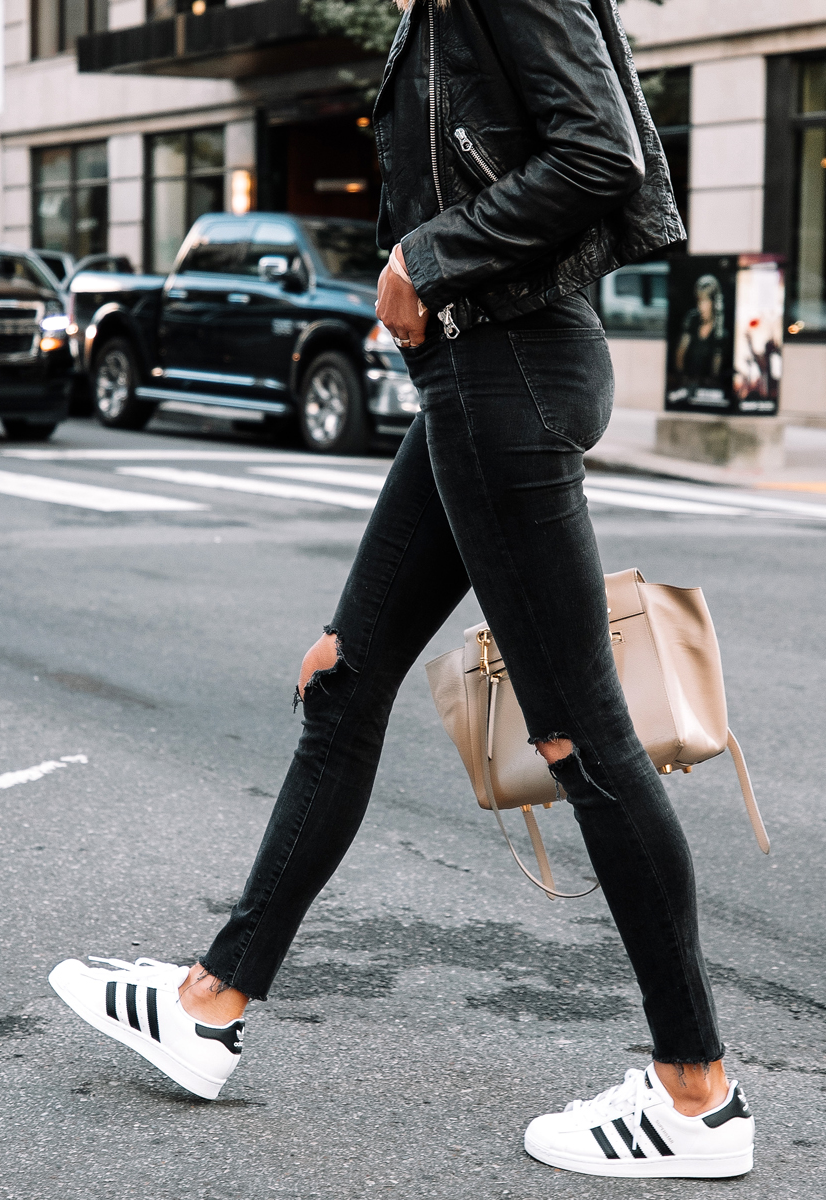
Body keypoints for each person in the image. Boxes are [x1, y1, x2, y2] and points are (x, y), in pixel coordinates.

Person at [49, 0, 754, 1179]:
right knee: (346, 675)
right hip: (478, 378)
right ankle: (209, 1004)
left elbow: (600, 154)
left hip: (507, 371)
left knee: (585, 740)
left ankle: (699, 1098)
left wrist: (424, 257)